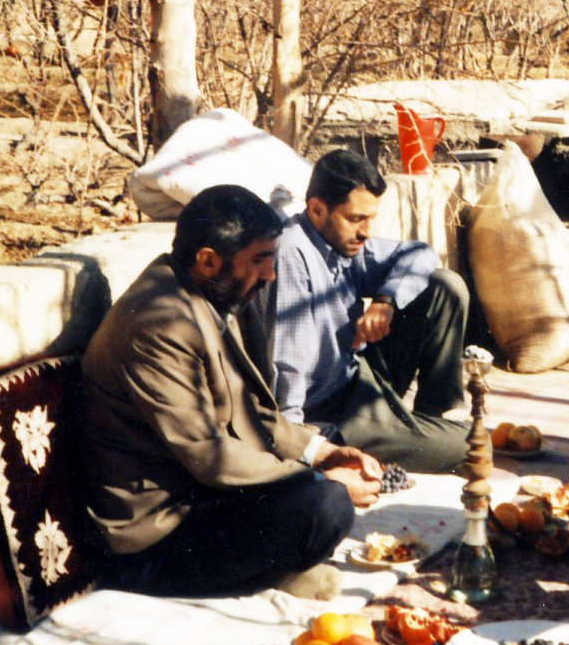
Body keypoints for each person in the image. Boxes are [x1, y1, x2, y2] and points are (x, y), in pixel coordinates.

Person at [80, 184, 382, 601]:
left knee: (323, 468)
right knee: (326, 506)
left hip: (200, 499)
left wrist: (320, 453)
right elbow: (211, 456)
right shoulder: (159, 324)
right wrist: (316, 478)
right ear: (208, 260)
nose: (271, 275)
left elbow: (251, 410)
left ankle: (272, 564)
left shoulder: (208, 293)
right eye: (260, 261)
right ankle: (270, 571)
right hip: (152, 543)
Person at [263, 147, 470, 473]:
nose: (366, 232)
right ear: (317, 209)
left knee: (444, 285)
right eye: (356, 218)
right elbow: (288, 365)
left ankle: (432, 418)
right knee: (471, 446)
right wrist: (298, 446)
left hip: (359, 374)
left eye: (370, 219)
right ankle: (408, 434)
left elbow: (421, 254)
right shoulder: (292, 254)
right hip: (336, 411)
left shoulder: (340, 242)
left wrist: (385, 302)